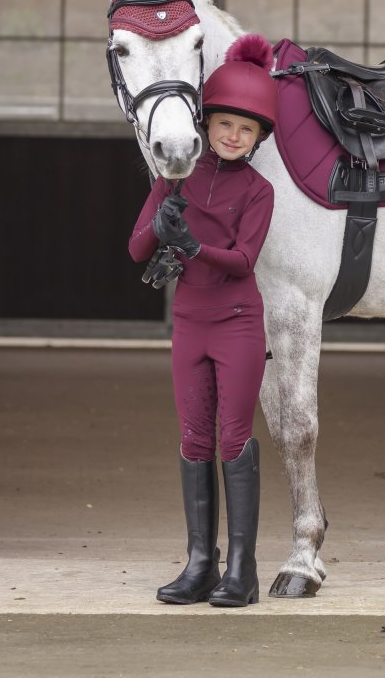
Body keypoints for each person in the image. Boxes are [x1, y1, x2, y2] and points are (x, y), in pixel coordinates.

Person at [128, 34, 278, 607]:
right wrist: (160, 224)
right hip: (189, 323)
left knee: (233, 437)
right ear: (206, 122)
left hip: (237, 322)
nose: (233, 136)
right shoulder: (175, 177)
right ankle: (199, 563)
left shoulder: (259, 192)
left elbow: (242, 262)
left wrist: (189, 243)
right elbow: (136, 250)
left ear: (259, 137)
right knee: (194, 438)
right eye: (224, 124)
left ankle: (243, 567)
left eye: (247, 129)